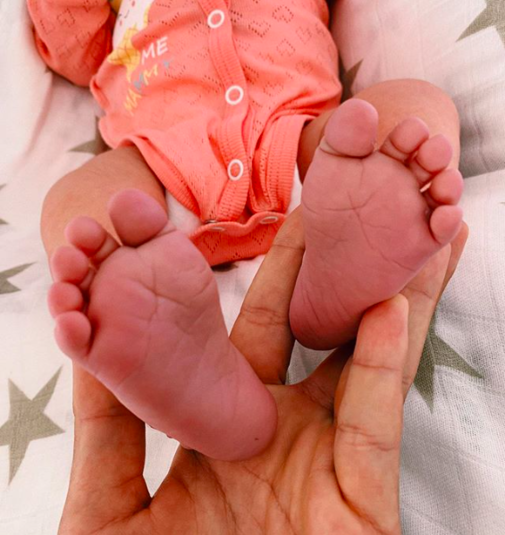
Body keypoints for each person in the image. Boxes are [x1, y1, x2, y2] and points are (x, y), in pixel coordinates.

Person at [28, 0, 464, 459]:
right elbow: (74, 52)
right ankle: (178, 361)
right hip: (156, 181)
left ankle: (337, 282)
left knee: (415, 109)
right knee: (77, 201)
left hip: (316, 159)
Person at [57, 210, 468, 534]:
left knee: (91, 213)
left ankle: (363, 210)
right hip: (191, 167)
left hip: (214, 169)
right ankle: (366, 216)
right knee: (97, 206)